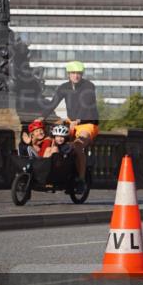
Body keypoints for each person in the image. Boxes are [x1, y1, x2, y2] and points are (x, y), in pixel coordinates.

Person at [38, 61, 98, 190]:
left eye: (79, 73)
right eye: (73, 73)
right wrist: (41, 118)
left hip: (87, 123)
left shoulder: (89, 86)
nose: (76, 76)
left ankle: (81, 180)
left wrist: (79, 120)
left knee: (77, 145)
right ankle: (48, 173)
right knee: (51, 141)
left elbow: (87, 105)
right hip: (71, 122)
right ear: (69, 74)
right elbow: (53, 103)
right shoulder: (64, 87)